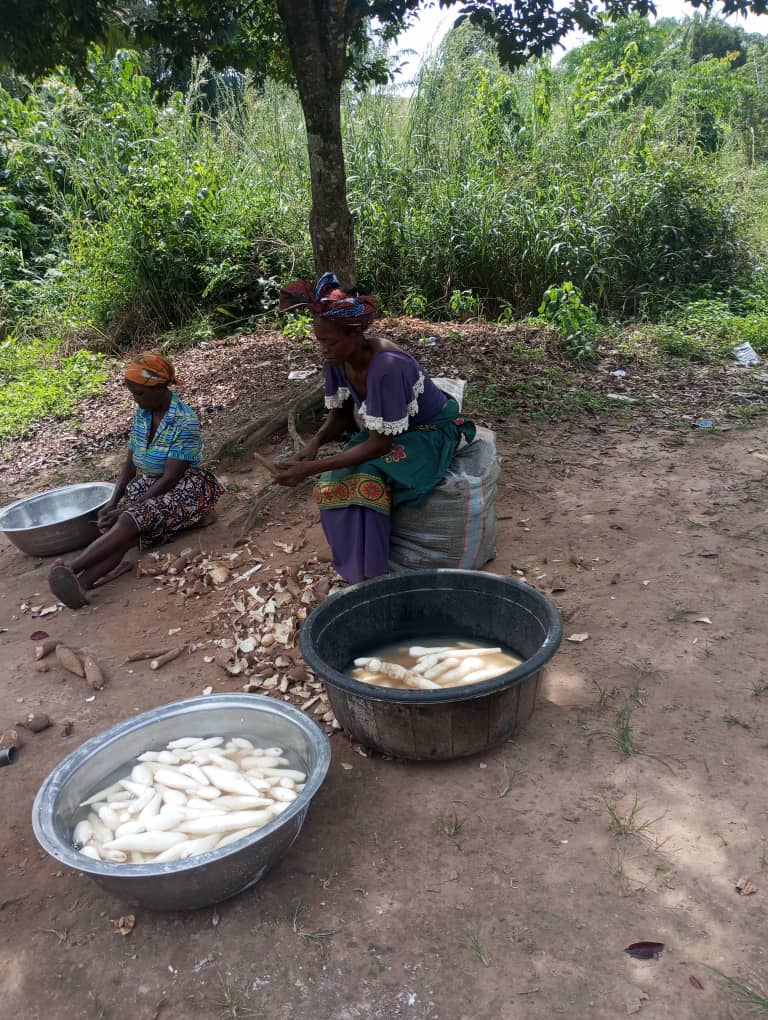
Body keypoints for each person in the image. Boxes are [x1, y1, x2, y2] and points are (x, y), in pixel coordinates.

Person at [272, 272, 475, 583]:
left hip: (430, 431)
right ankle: (356, 569)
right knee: (332, 480)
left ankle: (374, 574)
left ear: (355, 334)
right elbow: (340, 417)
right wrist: (313, 445)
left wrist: (308, 468)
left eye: (330, 342)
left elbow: (379, 445)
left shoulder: (387, 367)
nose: (323, 349)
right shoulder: (337, 362)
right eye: (320, 342)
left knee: (368, 479)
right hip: (392, 430)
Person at [48, 353, 224, 609]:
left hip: (188, 489)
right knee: (127, 528)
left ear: (160, 388)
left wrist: (128, 508)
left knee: (131, 520)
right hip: (155, 484)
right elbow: (130, 462)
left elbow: (171, 477)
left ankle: (71, 568)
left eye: (139, 394)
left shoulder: (184, 421)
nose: (136, 399)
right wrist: (113, 501)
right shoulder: (143, 413)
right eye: (133, 394)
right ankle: (82, 585)